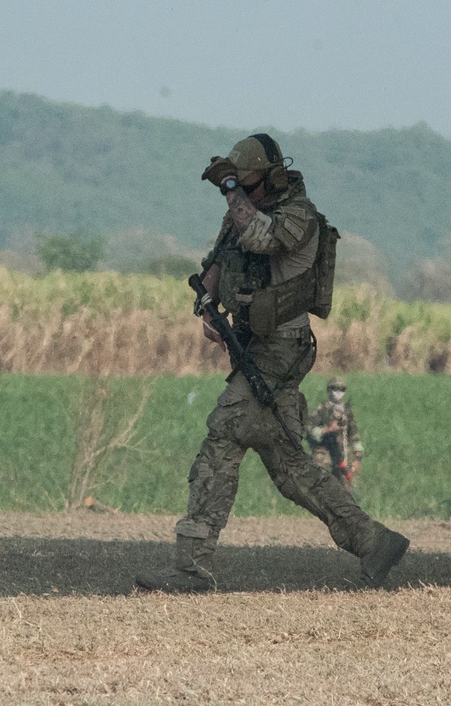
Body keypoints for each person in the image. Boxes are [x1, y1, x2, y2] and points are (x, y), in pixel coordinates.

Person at [134, 134, 408, 593]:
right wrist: (208, 306)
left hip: (283, 347)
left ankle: (190, 567)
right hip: (255, 346)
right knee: (288, 467)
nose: (243, 194)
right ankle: (374, 541)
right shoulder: (241, 213)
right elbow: (218, 261)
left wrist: (229, 191)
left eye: (249, 185)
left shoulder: (300, 217)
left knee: (224, 433)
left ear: (274, 177)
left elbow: (261, 236)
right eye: (238, 186)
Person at [308, 376, 364, 493]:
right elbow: (309, 429)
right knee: (321, 482)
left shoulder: (347, 412)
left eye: (342, 389)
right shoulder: (322, 409)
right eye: (335, 389)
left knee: (346, 486)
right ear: (329, 390)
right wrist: (327, 429)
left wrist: (357, 458)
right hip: (323, 452)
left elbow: (354, 434)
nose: (338, 392)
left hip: (342, 453)